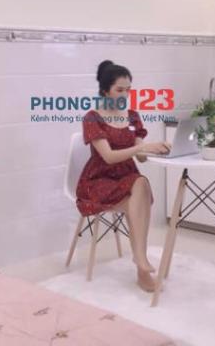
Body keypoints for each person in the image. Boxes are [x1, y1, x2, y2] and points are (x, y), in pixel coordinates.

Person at [77, 60, 172, 292]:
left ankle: (140, 262)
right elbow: (109, 157)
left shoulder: (132, 116)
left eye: (128, 90)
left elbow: (140, 158)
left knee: (141, 184)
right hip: (99, 181)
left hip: (128, 179)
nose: (125, 95)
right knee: (139, 192)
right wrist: (142, 147)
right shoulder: (92, 118)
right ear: (105, 90)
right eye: (119, 90)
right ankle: (141, 266)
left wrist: (157, 148)